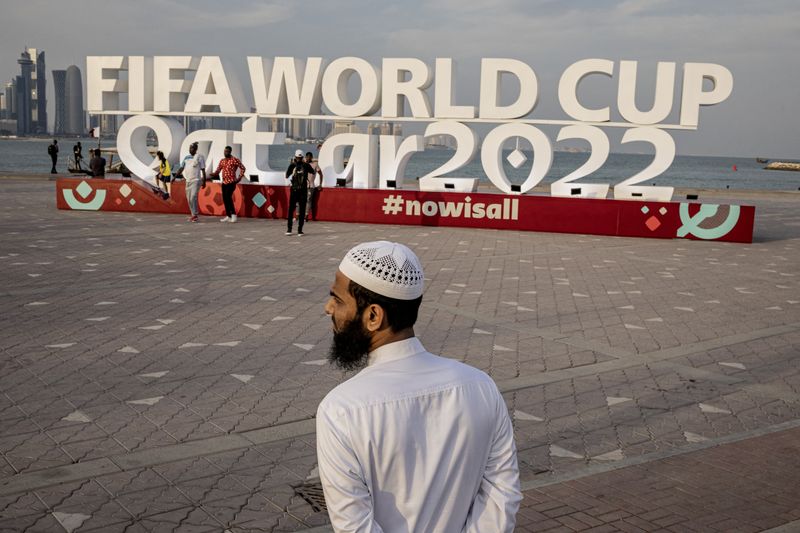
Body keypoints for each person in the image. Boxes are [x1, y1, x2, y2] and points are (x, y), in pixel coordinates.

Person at [317, 241, 521, 532]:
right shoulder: (481, 387)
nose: (328, 309)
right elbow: (502, 495)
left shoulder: (341, 410)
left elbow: (354, 527)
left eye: (337, 299)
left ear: (374, 316)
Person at [209, 145, 246, 223]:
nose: (225, 153)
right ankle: (228, 216)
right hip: (224, 183)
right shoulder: (222, 161)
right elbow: (218, 171)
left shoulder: (234, 160)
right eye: (224, 151)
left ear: (230, 152)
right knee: (225, 199)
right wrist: (213, 174)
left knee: (228, 197)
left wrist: (239, 178)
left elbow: (243, 168)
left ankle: (234, 215)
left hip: (232, 182)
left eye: (227, 151)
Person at [285, 149, 315, 235]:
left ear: (295, 157)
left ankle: (289, 230)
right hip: (303, 190)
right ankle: (299, 231)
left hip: (294, 190)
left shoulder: (292, 165)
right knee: (302, 210)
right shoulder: (306, 165)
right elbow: (312, 172)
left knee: (291, 210)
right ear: (302, 157)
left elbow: (287, 176)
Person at [176, 142, 206, 223]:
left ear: (195, 149)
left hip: (196, 180)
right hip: (188, 180)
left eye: (192, 148)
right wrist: (175, 177)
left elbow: (203, 169)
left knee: (193, 196)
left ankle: (195, 215)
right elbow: (181, 168)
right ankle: (193, 215)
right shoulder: (186, 158)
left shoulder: (199, 157)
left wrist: (204, 181)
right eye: (189, 148)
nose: (190, 150)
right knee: (189, 199)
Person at [304, 151, 323, 222]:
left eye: (309, 157)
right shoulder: (303, 164)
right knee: (303, 201)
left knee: (309, 201)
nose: (308, 158)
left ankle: (306, 216)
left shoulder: (315, 165)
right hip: (303, 186)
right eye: (307, 157)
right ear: (305, 157)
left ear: (311, 157)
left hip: (311, 186)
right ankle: (300, 215)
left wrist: (320, 184)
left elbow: (321, 174)